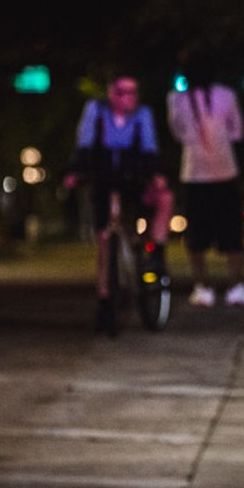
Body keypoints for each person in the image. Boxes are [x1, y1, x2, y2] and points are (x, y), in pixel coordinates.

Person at [65, 75, 174, 337]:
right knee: (105, 239)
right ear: (111, 93)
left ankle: (156, 252)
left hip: (134, 179)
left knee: (165, 198)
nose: (129, 98)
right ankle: (105, 300)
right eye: (123, 92)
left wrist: (155, 175)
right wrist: (75, 173)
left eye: (134, 92)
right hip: (104, 179)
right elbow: (84, 144)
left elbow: (150, 149)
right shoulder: (96, 111)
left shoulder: (143, 115)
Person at [166, 50, 244, 308]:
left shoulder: (176, 99)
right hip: (222, 171)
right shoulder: (226, 95)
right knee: (230, 231)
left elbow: (178, 132)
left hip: (196, 172)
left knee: (198, 232)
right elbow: (237, 131)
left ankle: (203, 286)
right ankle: (235, 284)